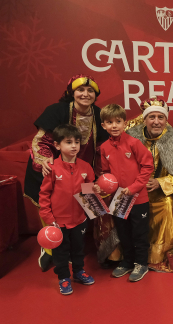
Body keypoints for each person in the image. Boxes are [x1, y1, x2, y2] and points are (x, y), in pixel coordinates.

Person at [23, 74, 112, 271]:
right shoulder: (56, 111)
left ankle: (72, 247)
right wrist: (46, 159)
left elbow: (102, 147)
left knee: (81, 210)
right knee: (53, 210)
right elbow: (41, 142)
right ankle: (49, 248)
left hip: (83, 171)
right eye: (81, 90)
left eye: (91, 91)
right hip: (54, 169)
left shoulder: (99, 115)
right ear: (72, 92)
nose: (85, 94)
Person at [126, 96, 173, 272]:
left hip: (163, 193)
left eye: (161, 117)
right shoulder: (131, 137)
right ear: (144, 119)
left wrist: (161, 182)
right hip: (135, 190)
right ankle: (129, 255)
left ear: (166, 119)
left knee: (167, 207)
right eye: (151, 117)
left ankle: (156, 256)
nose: (156, 122)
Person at [94, 104, 154, 282]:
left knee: (139, 233)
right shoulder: (104, 148)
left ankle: (141, 264)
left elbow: (148, 166)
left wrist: (134, 187)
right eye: (109, 122)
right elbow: (105, 173)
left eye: (118, 122)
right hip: (119, 199)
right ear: (103, 125)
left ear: (124, 123)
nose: (114, 126)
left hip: (138, 198)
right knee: (124, 232)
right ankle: (127, 262)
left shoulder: (134, 143)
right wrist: (101, 186)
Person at [38, 124, 96, 295]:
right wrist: (49, 220)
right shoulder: (52, 168)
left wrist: (95, 190)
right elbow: (44, 196)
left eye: (76, 142)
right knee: (61, 253)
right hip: (58, 223)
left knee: (78, 249)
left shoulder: (86, 167)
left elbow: (88, 192)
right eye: (68, 142)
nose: (73, 146)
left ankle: (78, 271)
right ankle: (63, 277)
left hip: (79, 220)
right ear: (57, 145)